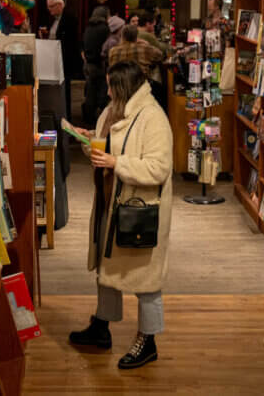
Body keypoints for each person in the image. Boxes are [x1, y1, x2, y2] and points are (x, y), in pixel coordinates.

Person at [68, 61, 173, 369]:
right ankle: (102, 325)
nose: (108, 89)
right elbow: (105, 150)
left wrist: (117, 163)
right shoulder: (113, 110)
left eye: (112, 85)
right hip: (110, 203)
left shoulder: (153, 118)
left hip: (138, 211)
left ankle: (148, 340)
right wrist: (87, 140)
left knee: (146, 281)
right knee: (106, 267)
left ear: (124, 87)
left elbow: (158, 168)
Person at [42, 0, 81, 117]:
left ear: (59, 5)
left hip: (65, 60)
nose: (50, 10)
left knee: (66, 91)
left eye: (51, 7)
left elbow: (68, 41)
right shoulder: (55, 19)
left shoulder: (69, 18)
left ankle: (66, 116)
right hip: (55, 59)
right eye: (48, 8)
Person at [82, 6, 111, 126]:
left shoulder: (88, 27)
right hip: (100, 64)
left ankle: (88, 117)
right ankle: (100, 119)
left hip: (88, 63)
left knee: (90, 90)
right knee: (101, 91)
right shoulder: (104, 29)